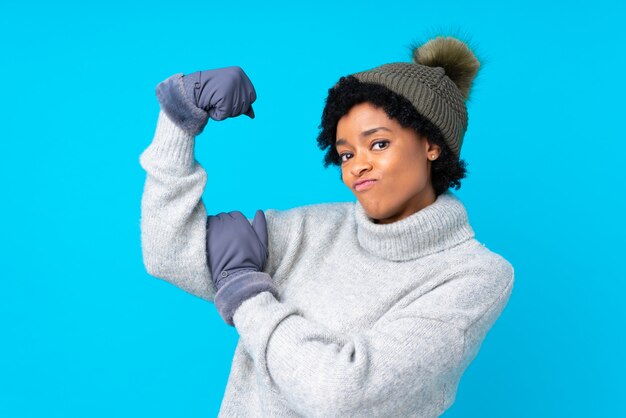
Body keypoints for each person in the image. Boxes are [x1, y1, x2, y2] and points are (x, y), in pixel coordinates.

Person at [139, 35, 515, 417]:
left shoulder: (473, 275)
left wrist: (246, 293)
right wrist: (178, 119)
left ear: (432, 144)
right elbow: (168, 255)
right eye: (346, 153)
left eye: (379, 144)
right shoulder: (312, 229)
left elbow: (340, 397)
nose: (357, 165)